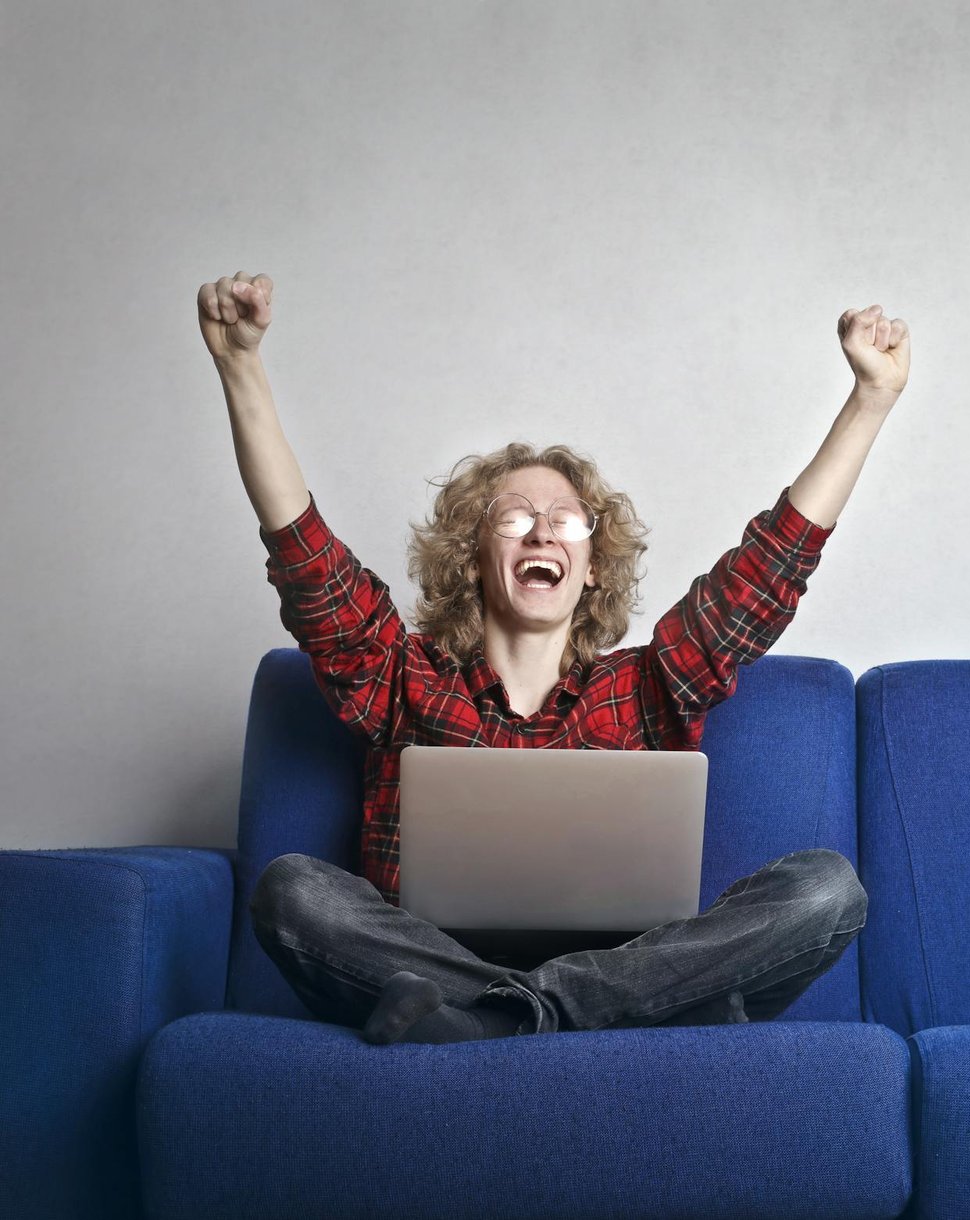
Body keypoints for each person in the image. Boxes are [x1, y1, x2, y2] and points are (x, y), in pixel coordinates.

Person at [197, 270, 911, 1044]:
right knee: (295, 890)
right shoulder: (402, 678)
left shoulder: (646, 688)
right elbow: (307, 562)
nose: (543, 532)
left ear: (594, 564)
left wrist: (869, 401)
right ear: (473, 556)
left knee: (826, 890)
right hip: (432, 961)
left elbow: (769, 568)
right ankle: (574, 1016)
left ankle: (498, 1020)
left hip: (618, 965)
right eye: (516, 517)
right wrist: (241, 367)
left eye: (567, 521)